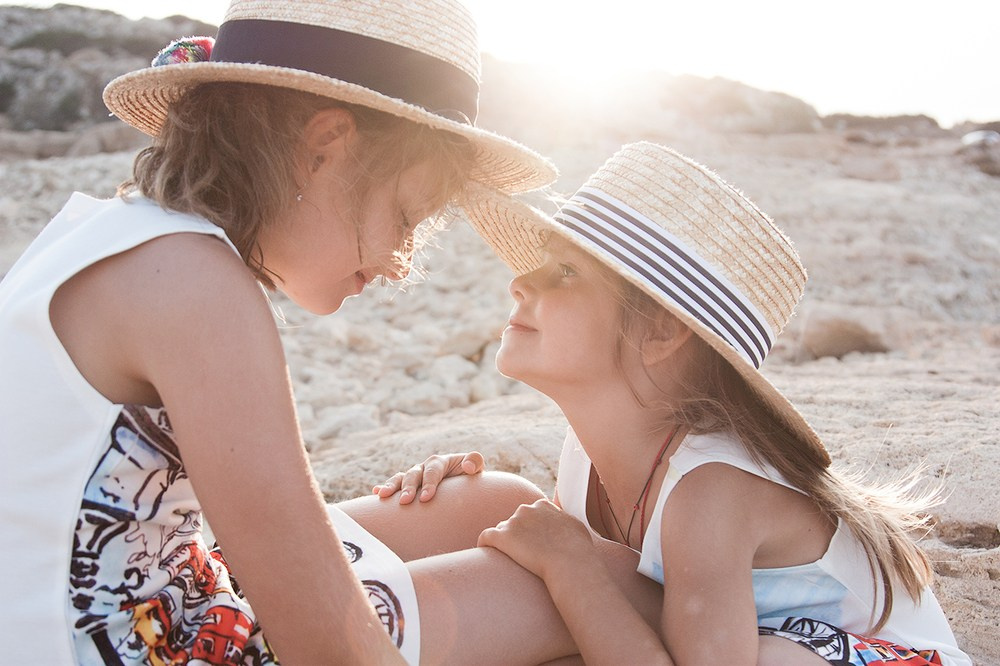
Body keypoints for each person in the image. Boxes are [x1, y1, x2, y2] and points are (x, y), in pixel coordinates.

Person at [0, 0, 568, 663]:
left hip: (152, 589)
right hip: (141, 646)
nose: (401, 261)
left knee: (494, 503)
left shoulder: (113, 234)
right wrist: (578, 578)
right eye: (405, 216)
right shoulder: (195, 287)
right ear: (324, 147)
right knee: (550, 595)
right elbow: (328, 647)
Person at [374, 142, 972, 665]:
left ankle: (353, 632)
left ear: (661, 332)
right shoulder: (593, 449)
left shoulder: (713, 490)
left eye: (565, 273)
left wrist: (569, 565)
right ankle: (330, 596)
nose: (520, 282)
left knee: (583, 578)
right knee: (495, 501)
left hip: (869, 654)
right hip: (722, 640)